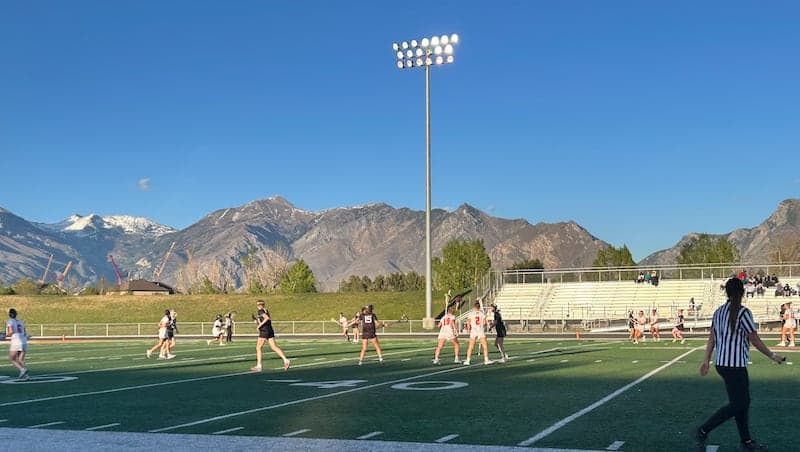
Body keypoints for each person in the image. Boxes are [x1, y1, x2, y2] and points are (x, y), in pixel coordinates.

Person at [695, 277, 785, 451]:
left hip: (722, 363)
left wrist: (706, 359)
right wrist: (772, 355)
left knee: (740, 403)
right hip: (735, 365)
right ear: (742, 292)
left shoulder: (718, 312)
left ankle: (746, 441)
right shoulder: (743, 312)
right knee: (740, 404)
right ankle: (703, 430)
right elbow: (754, 338)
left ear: (727, 292)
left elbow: (712, 337)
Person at [251, 300, 290, 372]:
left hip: (264, 331)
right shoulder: (266, 311)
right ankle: (285, 360)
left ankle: (259, 366)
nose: (259, 306)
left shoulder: (260, 311)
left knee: (258, 347)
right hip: (270, 330)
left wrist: (259, 325)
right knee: (274, 347)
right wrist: (257, 322)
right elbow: (265, 320)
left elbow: (266, 318)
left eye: (259, 304)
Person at [5, 308, 29, 380]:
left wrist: (5, 335)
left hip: (16, 341)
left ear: (10, 314)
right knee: (21, 359)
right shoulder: (21, 321)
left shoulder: (10, 321)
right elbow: (25, 333)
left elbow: (11, 332)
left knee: (12, 358)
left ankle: (22, 370)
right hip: (24, 341)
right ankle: (26, 376)